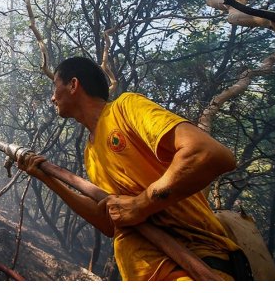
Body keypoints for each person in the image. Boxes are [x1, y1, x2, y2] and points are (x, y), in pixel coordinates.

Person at [18, 56, 252, 281]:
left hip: (195, 266)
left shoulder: (125, 108)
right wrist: (46, 178)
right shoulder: (91, 153)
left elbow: (208, 153)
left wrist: (141, 205)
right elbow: (110, 222)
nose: (51, 98)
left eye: (54, 87)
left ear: (73, 85)